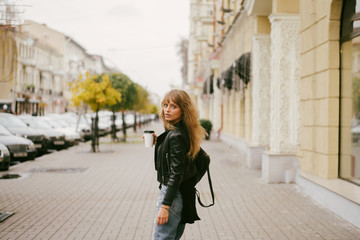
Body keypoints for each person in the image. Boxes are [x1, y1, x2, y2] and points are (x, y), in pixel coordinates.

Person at [152, 89, 206, 240]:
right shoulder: (182, 131)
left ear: (183, 110)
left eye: (173, 106)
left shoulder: (176, 136)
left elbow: (176, 172)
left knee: (162, 237)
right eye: (165, 105)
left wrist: (165, 205)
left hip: (171, 194)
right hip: (181, 193)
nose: (167, 110)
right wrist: (159, 141)